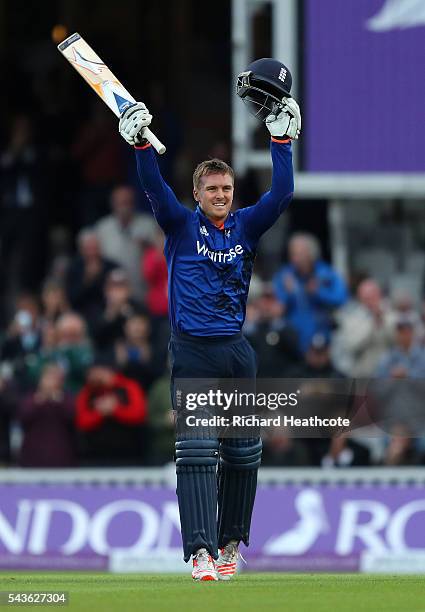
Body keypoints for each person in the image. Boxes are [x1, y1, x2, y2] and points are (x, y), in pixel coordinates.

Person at [118, 58, 301, 581]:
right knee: (197, 452)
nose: (221, 196)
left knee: (243, 453)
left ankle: (229, 544)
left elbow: (282, 194)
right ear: (197, 194)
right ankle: (198, 551)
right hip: (194, 349)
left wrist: (281, 143)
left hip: (236, 350)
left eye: (226, 190)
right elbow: (153, 188)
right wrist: (139, 147)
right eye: (212, 190)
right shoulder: (178, 225)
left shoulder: (246, 226)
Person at [273, 233, 347, 353]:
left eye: (299, 254)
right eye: (292, 254)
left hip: (322, 339)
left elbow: (341, 299)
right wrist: (287, 294)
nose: (295, 259)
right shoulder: (285, 276)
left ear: (311, 254)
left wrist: (318, 292)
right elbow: (276, 307)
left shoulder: (326, 273)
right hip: (293, 341)